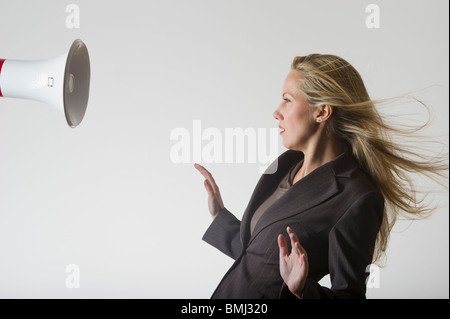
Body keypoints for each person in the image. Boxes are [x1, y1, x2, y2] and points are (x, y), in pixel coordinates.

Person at [194, 54, 448, 299]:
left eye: (287, 99)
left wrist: (302, 289)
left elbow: (350, 295)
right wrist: (219, 216)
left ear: (322, 112)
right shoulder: (285, 166)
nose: (276, 112)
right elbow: (260, 258)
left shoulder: (357, 197)